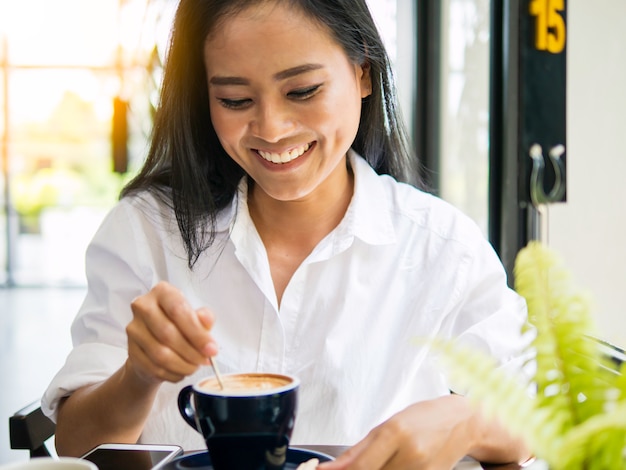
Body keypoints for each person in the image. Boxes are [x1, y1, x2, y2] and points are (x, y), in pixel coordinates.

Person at [42, 0, 532, 468]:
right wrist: (139, 376)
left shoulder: (441, 247)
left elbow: (536, 419)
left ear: (363, 71)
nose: (271, 129)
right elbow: (76, 443)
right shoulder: (146, 231)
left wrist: (466, 420)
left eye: (302, 91)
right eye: (234, 99)